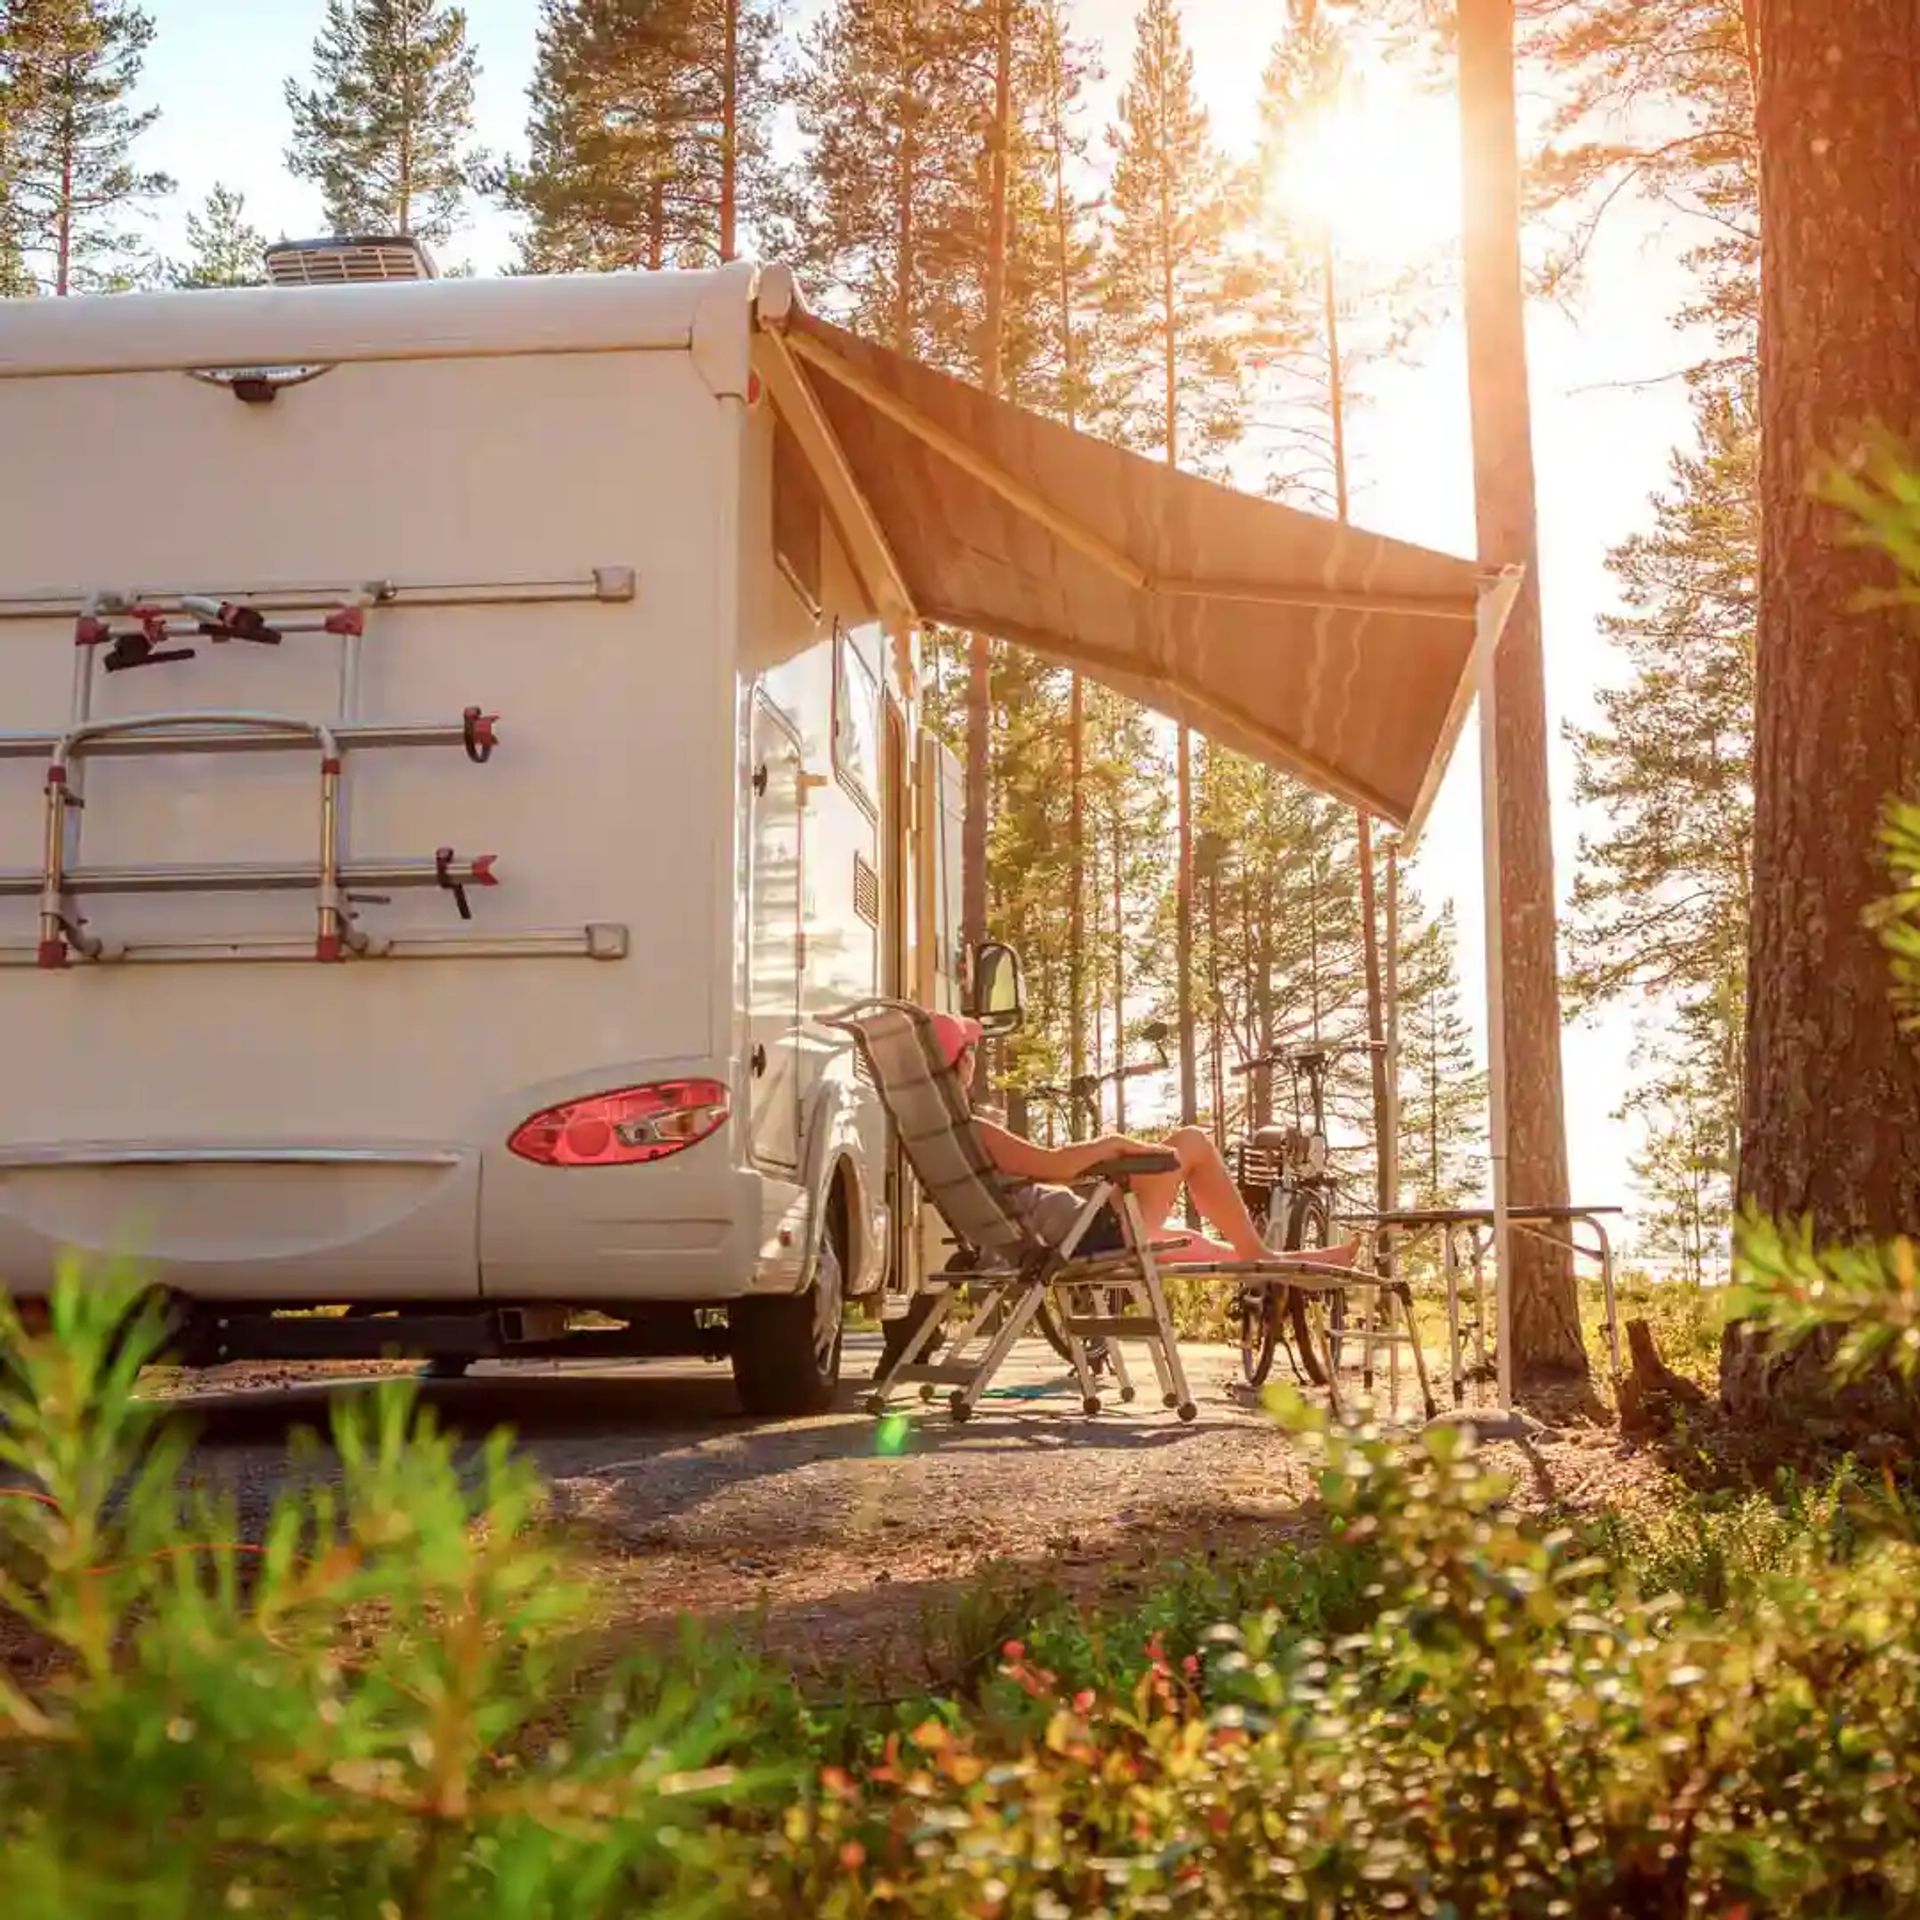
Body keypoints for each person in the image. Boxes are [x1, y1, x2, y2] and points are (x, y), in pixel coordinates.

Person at [927, 1010, 1330, 1266]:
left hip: (1065, 1234)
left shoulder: (941, 1136)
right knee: (1192, 1142)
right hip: (1085, 1236)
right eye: (970, 1051)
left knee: (1185, 1240)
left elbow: (1050, 1173)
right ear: (962, 1063)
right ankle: (1261, 1255)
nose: (974, 1058)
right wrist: (1115, 1144)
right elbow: (1056, 1166)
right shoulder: (973, 1130)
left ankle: (1283, 1263)